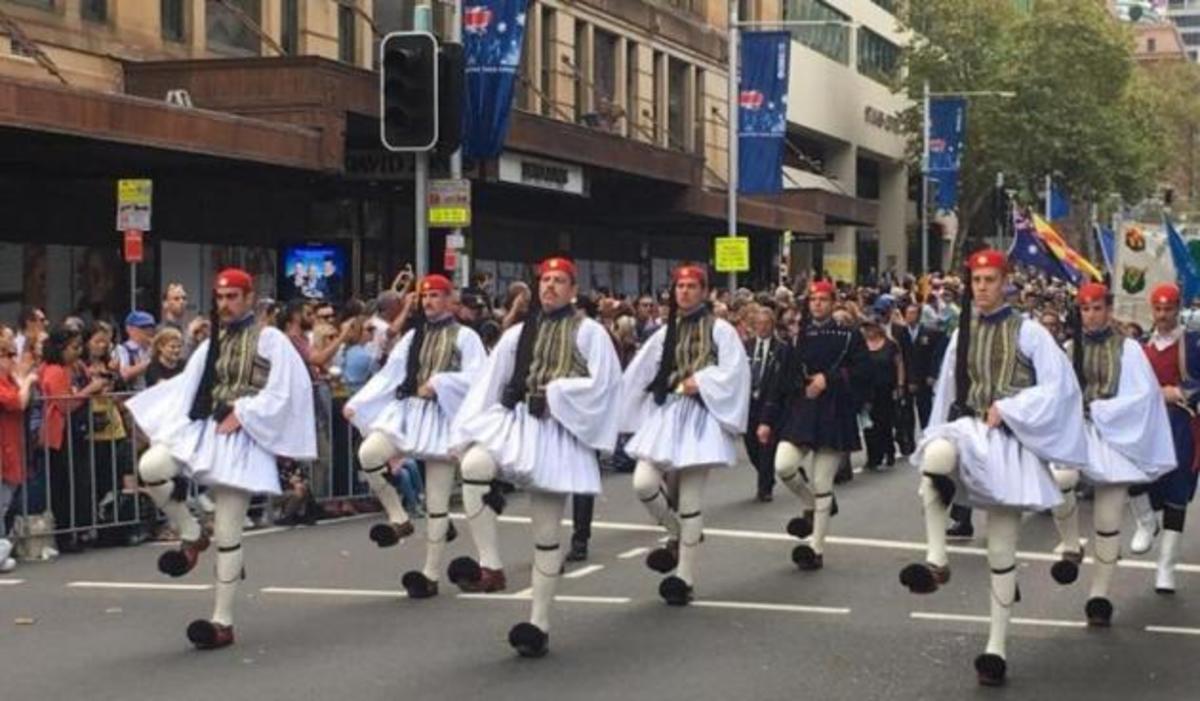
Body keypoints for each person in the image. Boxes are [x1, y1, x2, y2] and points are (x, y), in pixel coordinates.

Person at [897, 250, 1087, 686]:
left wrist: (1012, 407)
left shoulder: (1030, 332)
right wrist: (935, 428)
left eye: (989, 279)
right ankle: (936, 560)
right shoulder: (961, 332)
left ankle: (995, 648)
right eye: (976, 279)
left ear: (1006, 282)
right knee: (936, 457)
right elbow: (947, 387)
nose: (981, 287)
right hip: (969, 428)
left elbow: (1059, 387)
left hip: (1009, 442)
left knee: (1001, 549)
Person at [126, 268, 316, 650]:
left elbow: (284, 390)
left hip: (245, 437)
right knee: (151, 467)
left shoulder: (271, 339)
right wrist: (166, 420)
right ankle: (192, 533)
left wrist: (243, 413)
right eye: (220, 297)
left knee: (229, 531)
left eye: (232, 297)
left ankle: (222, 621)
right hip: (207, 428)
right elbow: (190, 387)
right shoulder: (214, 340)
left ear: (249, 298)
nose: (225, 304)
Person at [449, 256, 621, 657]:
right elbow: (489, 382)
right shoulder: (517, 334)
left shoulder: (590, 332)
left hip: (559, 433)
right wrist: (464, 432)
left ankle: (538, 622)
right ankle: (491, 566)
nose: (550, 287)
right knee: (475, 465)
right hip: (518, 422)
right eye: (545, 280)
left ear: (573, 289)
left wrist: (559, 394)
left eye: (559, 281)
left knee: (546, 534)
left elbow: (604, 384)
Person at [343, 274, 486, 599]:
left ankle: (430, 574)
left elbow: (479, 378)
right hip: (409, 414)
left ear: (451, 300)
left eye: (436, 296)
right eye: (425, 297)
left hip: (443, 418)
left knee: (437, 504)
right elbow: (390, 374)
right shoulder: (412, 338)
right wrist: (358, 402)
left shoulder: (466, 337)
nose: (429, 302)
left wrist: (441, 383)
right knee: (369, 454)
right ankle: (398, 517)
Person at [1043, 283, 1175, 625]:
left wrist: (1102, 410)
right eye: (1085, 309)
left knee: (1108, 519)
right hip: (1078, 433)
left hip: (1114, 436)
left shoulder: (1128, 349)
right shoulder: (1069, 348)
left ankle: (1099, 596)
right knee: (1061, 478)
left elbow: (1142, 397)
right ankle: (1071, 544)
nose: (1091, 315)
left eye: (1097, 308)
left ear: (1109, 308)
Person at [619, 263, 749, 605]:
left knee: (690, 500)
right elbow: (639, 372)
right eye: (680, 286)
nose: (685, 292)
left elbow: (736, 371)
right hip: (668, 414)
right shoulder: (665, 332)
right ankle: (679, 534)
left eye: (692, 286)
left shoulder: (720, 330)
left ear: (705, 292)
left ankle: (685, 578)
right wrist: (622, 408)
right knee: (643, 483)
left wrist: (702, 382)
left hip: (701, 417)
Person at [756, 280, 868, 572]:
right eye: (813, 299)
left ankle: (815, 548)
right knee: (784, 465)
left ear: (833, 302)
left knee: (822, 482)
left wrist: (828, 380)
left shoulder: (849, 335)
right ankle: (813, 504)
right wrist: (767, 419)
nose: (817, 304)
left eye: (823, 299)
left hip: (834, 411)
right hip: (802, 409)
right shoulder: (796, 338)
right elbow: (778, 381)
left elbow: (863, 372)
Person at [1127, 283, 1200, 595]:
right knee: (1132, 477)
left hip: (1180, 424)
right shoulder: (1140, 344)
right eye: (1157, 309)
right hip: (1146, 426)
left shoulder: (1193, 343)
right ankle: (1145, 520)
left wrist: (1181, 392)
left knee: (1176, 492)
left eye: (1168, 309)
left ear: (1177, 308)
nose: (1162, 315)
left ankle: (1166, 567)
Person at [39, 327, 109, 553]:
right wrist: (90, 389)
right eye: (74, 348)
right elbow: (64, 403)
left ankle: (81, 529)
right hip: (60, 433)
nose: (78, 352)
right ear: (61, 349)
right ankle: (67, 533)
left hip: (78, 431)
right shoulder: (53, 370)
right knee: (64, 484)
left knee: (81, 481)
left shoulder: (76, 367)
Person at [745, 305, 788, 501]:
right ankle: (765, 473)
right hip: (749, 403)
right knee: (752, 445)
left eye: (766, 324)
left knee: (767, 446)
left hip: (770, 402)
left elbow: (783, 380)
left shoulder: (782, 348)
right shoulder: (746, 346)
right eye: (758, 324)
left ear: (772, 325)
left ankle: (764, 487)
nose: (762, 327)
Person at [0, 333, 36, 572]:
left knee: (5, 502)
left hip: (11, 445)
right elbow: (16, 402)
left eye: (14, 354)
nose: (13, 359)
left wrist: (20, 377)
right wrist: (26, 381)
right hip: (3, 447)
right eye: (8, 354)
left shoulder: (9, 378)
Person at [860, 313, 903, 470]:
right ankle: (873, 457)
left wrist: (899, 385)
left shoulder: (891, 344)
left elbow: (899, 364)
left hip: (886, 388)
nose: (868, 331)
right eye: (866, 328)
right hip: (867, 390)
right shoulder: (861, 345)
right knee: (869, 425)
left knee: (885, 422)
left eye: (871, 327)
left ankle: (889, 451)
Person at [116, 310, 156, 391]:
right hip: (133, 394)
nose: (148, 331)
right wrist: (148, 363)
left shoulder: (154, 348)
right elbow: (125, 374)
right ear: (129, 329)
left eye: (151, 327)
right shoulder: (123, 349)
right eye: (143, 327)